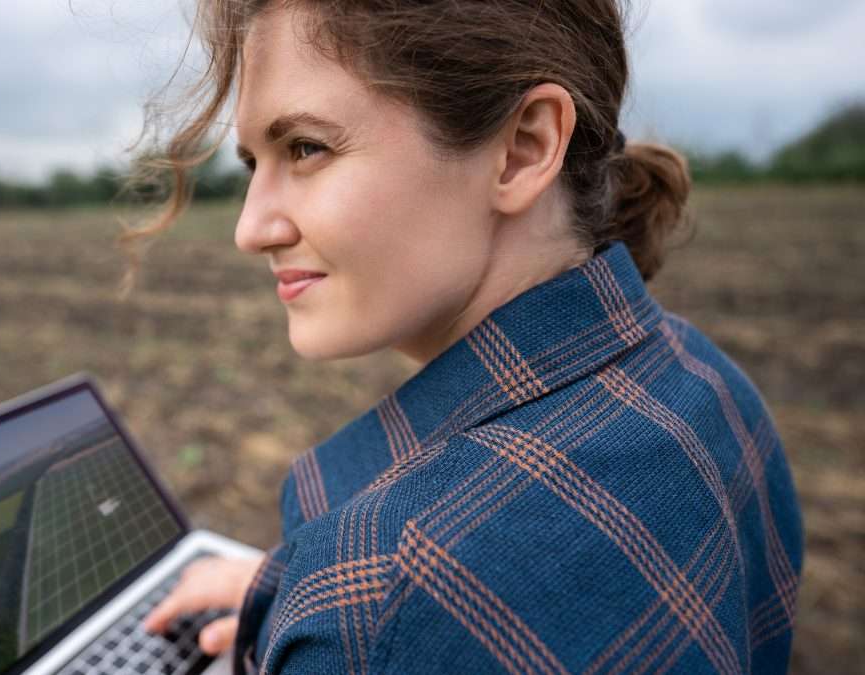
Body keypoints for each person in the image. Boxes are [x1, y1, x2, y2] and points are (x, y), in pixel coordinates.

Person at [124, 1, 804, 672]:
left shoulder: (379, 601)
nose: (251, 228)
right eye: (252, 163)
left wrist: (336, 615)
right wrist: (294, 607)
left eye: (305, 147)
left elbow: (408, 614)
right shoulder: (713, 388)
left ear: (523, 149)